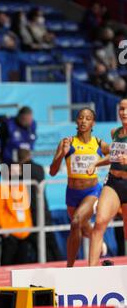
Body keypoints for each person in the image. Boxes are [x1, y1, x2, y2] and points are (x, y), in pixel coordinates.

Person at [49, 108, 109, 267]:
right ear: (76, 121)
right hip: (72, 194)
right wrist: (62, 153)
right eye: (81, 118)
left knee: (76, 222)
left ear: (93, 123)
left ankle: (70, 268)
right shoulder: (67, 142)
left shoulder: (98, 143)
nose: (83, 121)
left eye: (88, 118)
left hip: (92, 191)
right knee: (82, 227)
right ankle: (99, 241)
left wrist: (99, 163)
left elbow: (115, 156)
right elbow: (52, 172)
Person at [89, 98, 127, 266]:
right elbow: (113, 157)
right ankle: (91, 271)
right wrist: (95, 163)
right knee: (99, 222)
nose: (124, 113)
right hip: (114, 182)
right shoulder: (115, 132)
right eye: (121, 109)